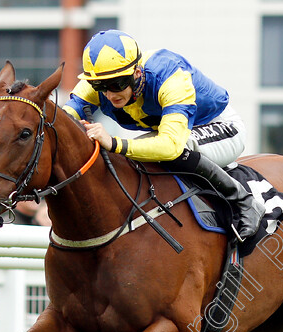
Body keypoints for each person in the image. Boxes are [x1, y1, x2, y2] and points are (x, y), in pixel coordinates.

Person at [62, 30, 265, 242]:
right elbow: (60, 121)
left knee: (170, 149)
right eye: (100, 86)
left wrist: (113, 142)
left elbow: (170, 146)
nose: (109, 94)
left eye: (117, 85)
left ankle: (245, 202)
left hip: (220, 126)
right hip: (172, 132)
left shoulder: (170, 76)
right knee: (130, 158)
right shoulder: (102, 77)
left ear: (137, 73)